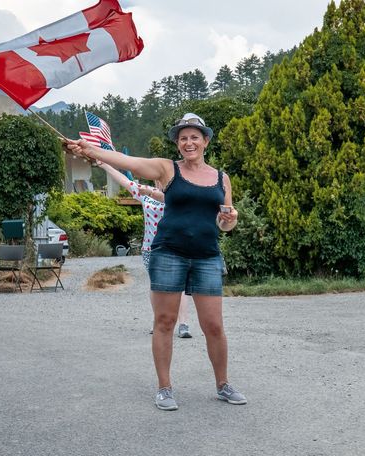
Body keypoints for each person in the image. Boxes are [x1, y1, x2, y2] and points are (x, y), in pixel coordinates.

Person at [65, 113, 246, 410]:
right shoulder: (166, 169)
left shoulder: (221, 178)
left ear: (206, 141)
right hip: (169, 253)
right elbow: (130, 163)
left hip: (207, 256)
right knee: (164, 321)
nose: (189, 142)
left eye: (194, 137)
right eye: (183, 138)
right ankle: (164, 388)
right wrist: (90, 150)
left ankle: (223, 384)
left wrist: (230, 220)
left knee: (214, 325)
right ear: (177, 144)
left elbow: (224, 224)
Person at [98, 161, 192, 338]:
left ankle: (183, 324)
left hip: (176, 248)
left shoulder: (179, 196)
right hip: (150, 248)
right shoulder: (146, 194)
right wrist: (105, 165)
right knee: (156, 287)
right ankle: (158, 321)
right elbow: (125, 181)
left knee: (179, 286)